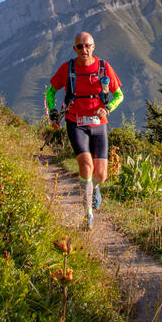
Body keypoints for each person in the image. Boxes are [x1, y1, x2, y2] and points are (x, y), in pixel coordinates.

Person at [46, 31, 124, 228]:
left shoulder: (104, 68)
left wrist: (107, 108)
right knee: (86, 164)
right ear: (75, 49)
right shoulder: (67, 69)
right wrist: (53, 113)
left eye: (87, 46)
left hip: (99, 124)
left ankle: (96, 187)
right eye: (80, 47)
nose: (84, 50)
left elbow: (119, 95)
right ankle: (87, 213)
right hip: (76, 121)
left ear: (93, 47)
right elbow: (50, 91)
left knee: (101, 174)